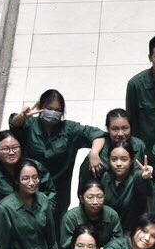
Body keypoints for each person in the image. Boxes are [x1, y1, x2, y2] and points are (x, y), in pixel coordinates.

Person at [8, 89, 105, 217]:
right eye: (49, 108)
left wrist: (94, 153)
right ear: (41, 106)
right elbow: (14, 125)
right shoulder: (30, 124)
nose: (53, 113)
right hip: (31, 186)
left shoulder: (69, 129)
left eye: (57, 110)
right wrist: (23, 116)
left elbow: (97, 135)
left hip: (59, 190)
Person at [57, 179, 122, 249]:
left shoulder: (112, 215)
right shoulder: (71, 217)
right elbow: (66, 245)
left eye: (99, 197)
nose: (95, 202)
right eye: (90, 197)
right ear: (82, 199)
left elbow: (118, 243)